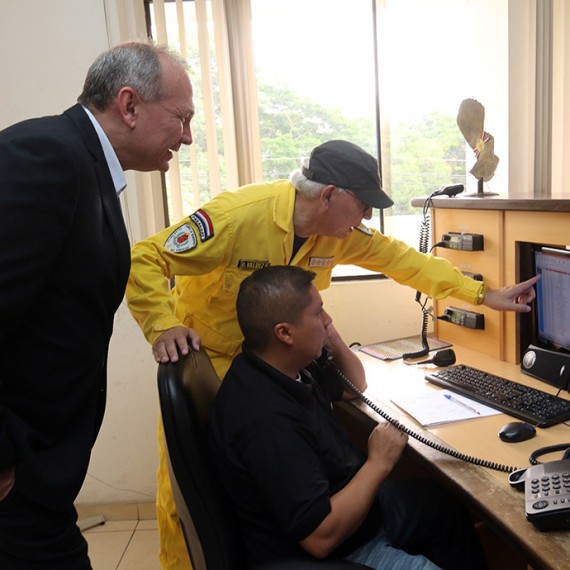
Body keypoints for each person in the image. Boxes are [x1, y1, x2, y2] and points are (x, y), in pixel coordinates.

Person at [126, 139, 538, 568]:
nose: (367, 217)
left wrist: (483, 294)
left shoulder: (337, 233)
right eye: (363, 205)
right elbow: (145, 258)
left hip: (283, 364)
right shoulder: (237, 217)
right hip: (212, 362)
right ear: (328, 196)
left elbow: (403, 260)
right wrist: (163, 325)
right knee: (190, 496)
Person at [0, 41, 194, 569]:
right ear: (129, 105)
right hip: (19, 467)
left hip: (43, 465)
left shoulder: (85, 166)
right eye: (181, 118)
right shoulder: (46, 155)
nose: (187, 137)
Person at [209, 265, 488, 569]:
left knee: (446, 507)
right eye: (318, 313)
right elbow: (320, 538)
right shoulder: (266, 420)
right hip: (337, 548)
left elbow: (354, 386)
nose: (327, 320)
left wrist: (332, 339)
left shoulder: (284, 365)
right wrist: (379, 462)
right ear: (285, 333)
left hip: (360, 508)